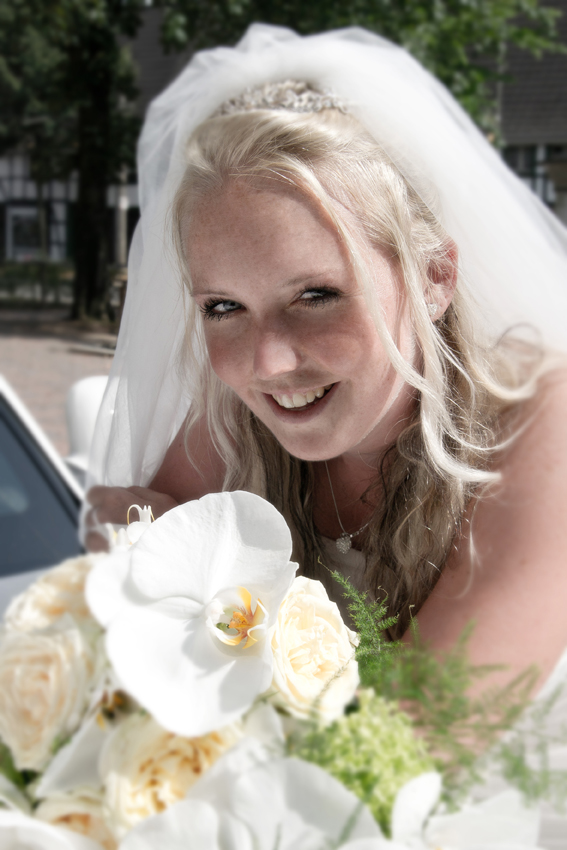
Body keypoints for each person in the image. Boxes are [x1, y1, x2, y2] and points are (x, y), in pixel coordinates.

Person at [85, 26, 567, 700]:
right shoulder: (233, 422)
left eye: (316, 296)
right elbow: (129, 554)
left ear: (433, 277)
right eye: (223, 307)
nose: (267, 363)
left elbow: (426, 734)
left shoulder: (543, 421)